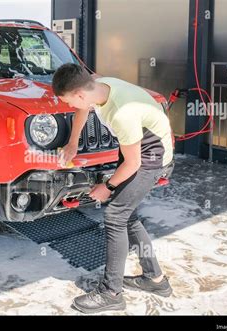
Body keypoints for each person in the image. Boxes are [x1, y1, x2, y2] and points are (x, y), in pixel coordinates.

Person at [52, 63, 175, 314]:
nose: (69, 107)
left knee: (115, 215)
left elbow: (133, 164)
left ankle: (111, 293)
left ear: (80, 95)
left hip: (151, 157)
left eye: (68, 102)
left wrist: (107, 186)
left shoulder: (121, 113)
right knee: (126, 215)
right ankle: (155, 280)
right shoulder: (98, 85)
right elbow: (83, 110)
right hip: (137, 150)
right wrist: (73, 143)